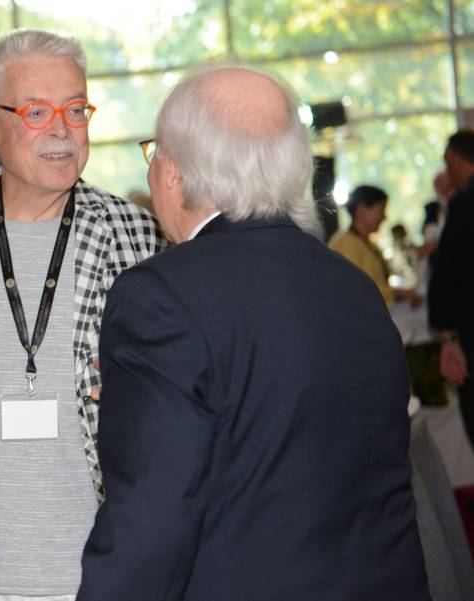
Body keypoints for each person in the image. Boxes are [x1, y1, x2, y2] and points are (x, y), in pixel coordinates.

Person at [77, 66, 428, 601]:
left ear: (173, 173)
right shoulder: (351, 284)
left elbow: (151, 520)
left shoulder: (160, 295)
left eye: (153, 154)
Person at [0, 29, 163, 600]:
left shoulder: (136, 234)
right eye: (36, 111)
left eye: (75, 109)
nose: (63, 130)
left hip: (105, 573)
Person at [429, 129, 474, 444]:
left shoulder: (464, 205)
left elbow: (448, 274)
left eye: (447, 164)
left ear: (458, 161)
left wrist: (450, 337)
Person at [328, 185, 421, 310]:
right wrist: (397, 293)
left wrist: (400, 293)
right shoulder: (345, 243)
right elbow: (354, 290)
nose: (385, 217)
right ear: (361, 210)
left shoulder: (370, 244)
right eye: (381, 210)